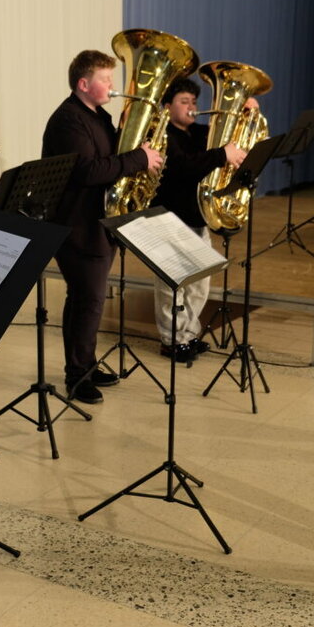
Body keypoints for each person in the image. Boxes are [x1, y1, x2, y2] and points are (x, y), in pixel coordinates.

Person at [42, 50, 163, 403]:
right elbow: (87, 171)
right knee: (89, 301)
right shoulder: (68, 121)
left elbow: (111, 160)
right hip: (77, 226)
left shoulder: (97, 116)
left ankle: (85, 365)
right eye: (106, 79)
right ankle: (77, 377)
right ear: (84, 84)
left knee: (85, 300)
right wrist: (138, 158)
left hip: (98, 223)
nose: (113, 85)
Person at [150, 77, 253, 362]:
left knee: (199, 283)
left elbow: (230, 143)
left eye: (194, 102)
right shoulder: (161, 134)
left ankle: (187, 334)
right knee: (172, 285)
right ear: (167, 107)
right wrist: (221, 154)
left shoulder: (199, 132)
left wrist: (245, 115)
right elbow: (182, 167)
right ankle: (172, 341)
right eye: (184, 102)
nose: (191, 107)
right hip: (169, 217)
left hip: (197, 217)